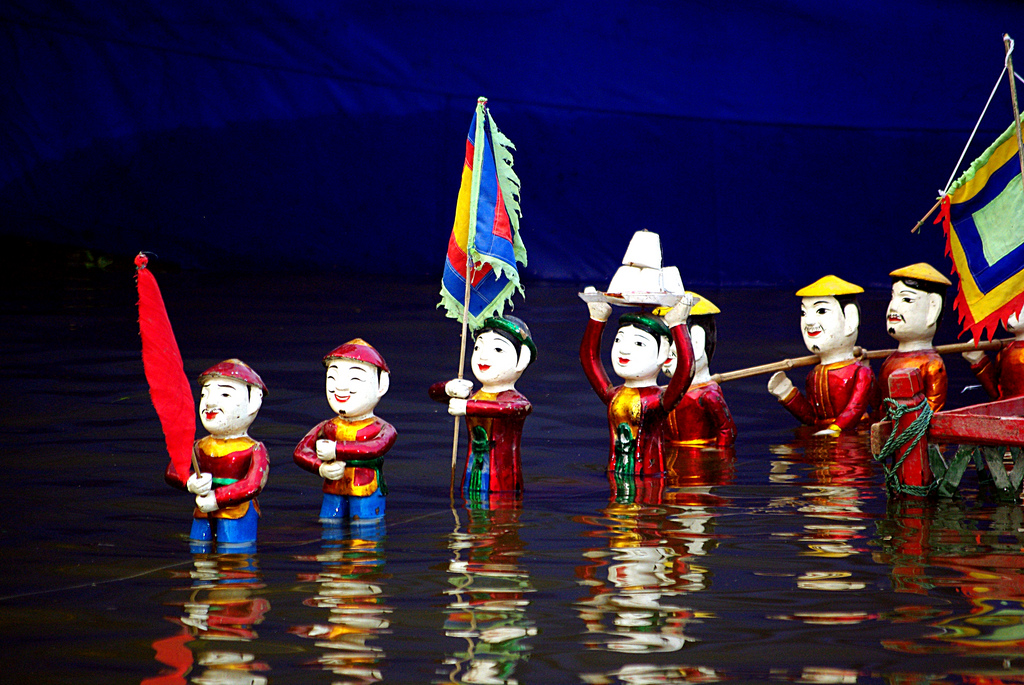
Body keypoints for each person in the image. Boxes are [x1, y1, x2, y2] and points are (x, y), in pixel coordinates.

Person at [580, 290, 695, 476]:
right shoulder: (615, 395)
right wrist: (597, 319)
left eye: (639, 344)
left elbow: (685, 370)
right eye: (619, 340)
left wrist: (678, 324)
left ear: (663, 354)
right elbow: (589, 360)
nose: (623, 350)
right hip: (615, 475)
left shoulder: (657, 401)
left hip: (649, 478)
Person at [165, 359, 268, 551]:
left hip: (236, 513)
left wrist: (216, 499)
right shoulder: (199, 446)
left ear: (254, 401)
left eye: (225, 394)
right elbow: (172, 470)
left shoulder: (254, 449)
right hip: (203, 510)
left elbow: (253, 484)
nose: (210, 402)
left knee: (234, 555)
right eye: (205, 394)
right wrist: (190, 482)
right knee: (199, 552)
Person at [430, 315, 536, 499]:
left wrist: (467, 407)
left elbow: (507, 409)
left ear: (522, 360)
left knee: (500, 512)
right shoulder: (473, 396)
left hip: (504, 482)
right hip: (471, 476)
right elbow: (434, 393)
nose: (483, 356)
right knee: (471, 506)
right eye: (478, 347)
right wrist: (449, 388)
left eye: (498, 349)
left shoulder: (515, 401)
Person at [294, 339, 396, 522]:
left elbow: (375, 447)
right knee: (329, 526)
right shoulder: (327, 426)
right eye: (332, 378)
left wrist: (336, 450)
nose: (340, 387)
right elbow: (300, 451)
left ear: (381, 385)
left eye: (355, 378)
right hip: (333, 486)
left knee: (365, 529)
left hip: (366, 488)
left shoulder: (383, 429)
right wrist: (321, 467)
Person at [767, 275, 877, 434]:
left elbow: (856, 408)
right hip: (822, 439)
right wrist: (787, 393)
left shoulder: (860, 372)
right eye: (804, 313)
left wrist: (834, 429)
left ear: (850, 319)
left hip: (852, 439)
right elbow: (812, 419)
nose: (809, 322)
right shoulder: (813, 376)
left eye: (821, 311)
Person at [661, 293, 736, 446]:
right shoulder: (664, 394)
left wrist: (717, 453)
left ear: (697, 342)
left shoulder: (708, 395)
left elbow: (727, 431)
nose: (665, 349)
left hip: (700, 458)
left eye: (673, 338)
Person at [880, 263, 950, 411]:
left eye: (906, 299)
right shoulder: (889, 362)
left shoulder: (931, 365)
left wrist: (911, 422)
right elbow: (879, 401)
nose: (893, 306)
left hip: (914, 425)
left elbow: (934, 407)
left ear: (933, 308)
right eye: (893, 297)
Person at [963, 303, 1024, 400]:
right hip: (1009, 409)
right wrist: (979, 360)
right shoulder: (1005, 353)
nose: (1009, 313)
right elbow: (997, 394)